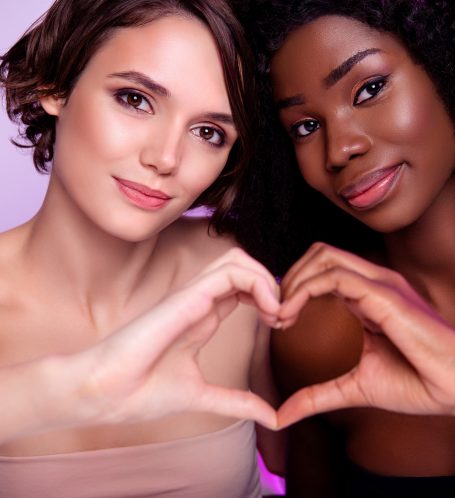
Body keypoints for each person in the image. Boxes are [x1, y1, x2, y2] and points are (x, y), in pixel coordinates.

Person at [233, 0, 455, 496]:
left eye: (369, 89)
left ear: (453, 65)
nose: (339, 148)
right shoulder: (323, 335)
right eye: (305, 126)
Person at [0, 0, 284, 496]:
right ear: (56, 85)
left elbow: (310, 463)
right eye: (135, 99)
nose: (166, 158)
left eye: (208, 132)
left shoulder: (237, 278)